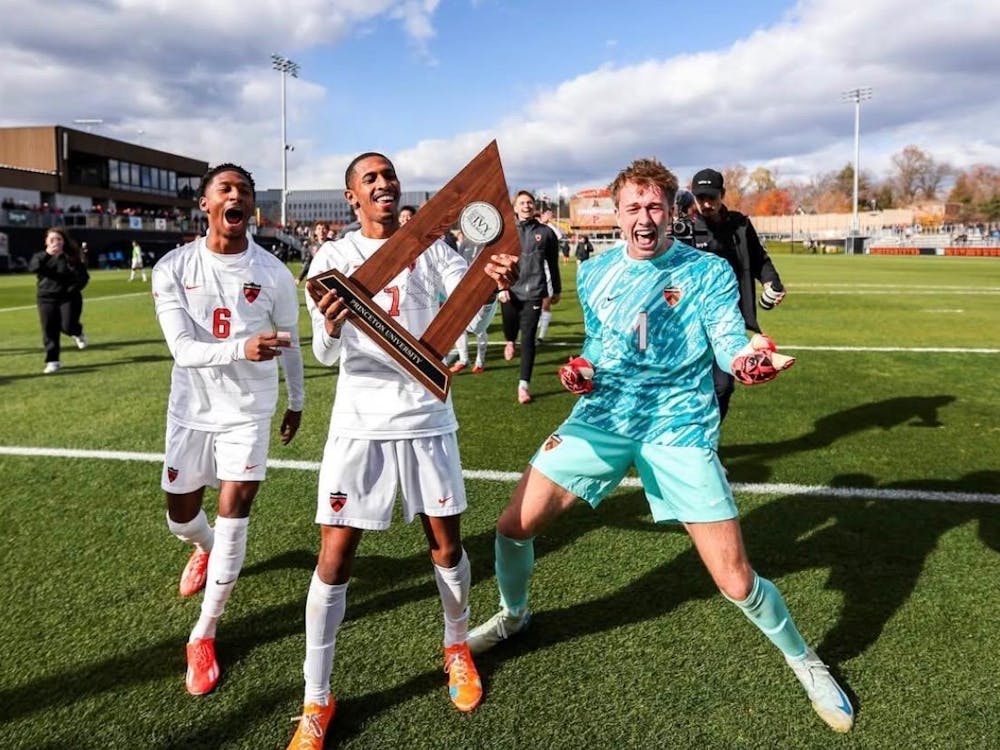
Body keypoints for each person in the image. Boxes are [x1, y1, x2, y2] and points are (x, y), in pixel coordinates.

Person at [468, 158, 854, 734]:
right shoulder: (595, 271)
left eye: (654, 208)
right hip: (604, 417)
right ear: (617, 214)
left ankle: (806, 660)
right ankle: (515, 615)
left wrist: (747, 359)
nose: (644, 220)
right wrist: (582, 369)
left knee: (736, 581)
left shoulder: (709, 272)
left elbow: (727, 342)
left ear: (670, 212)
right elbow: (598, 347)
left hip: (678, 426)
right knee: (511, 525)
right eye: (633, 208)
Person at [289, 151, 518, 749]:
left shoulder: (434, 249)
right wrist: (333, 325)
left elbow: (465, 325)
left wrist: (488, 290)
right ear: (352, 198)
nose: (384, 184)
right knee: (335, 556)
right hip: (360, 421)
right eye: (371, 179)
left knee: (446, 543)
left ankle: (455, 648)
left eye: (389, 176)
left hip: (425, 416)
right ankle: (316, 699)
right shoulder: (333, 258)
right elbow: (323, 354)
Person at [151, 163, 304, 697]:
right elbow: (183, 351)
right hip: (190, 410)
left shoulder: (274, 272)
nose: (236, 195)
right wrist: (243, 346)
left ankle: (204, 633)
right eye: (225, 188)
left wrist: (297, 401)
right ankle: (202, 547)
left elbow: (289, 340)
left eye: (244, 190)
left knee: (235, 509)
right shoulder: (172, 267)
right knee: (180, 516)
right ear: (206, 204)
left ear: (251, 208)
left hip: (248, 410)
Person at [689, 168, 786, 421]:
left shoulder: (740, 225)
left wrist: (771, 282)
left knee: (723, 385)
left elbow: (759, 259)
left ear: (722, 194)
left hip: (729, 317)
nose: (706, 203)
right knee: (690, 386)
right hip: (690, 320)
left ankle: (707, 439)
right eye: (701, 198)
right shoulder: (685, 228)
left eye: (711, 197)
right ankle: (688, 442)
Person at [500, 191, 561, 403]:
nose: (526, 206)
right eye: (522, 203)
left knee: (528, 338)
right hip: (510, 290)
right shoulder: (506, 231)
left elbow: (553, 263)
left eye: (529, 202)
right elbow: (496, 261)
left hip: (535, 291)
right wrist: (500, 289)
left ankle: (523, 385)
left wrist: (557, 290)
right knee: (509, 325)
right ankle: (509, 341)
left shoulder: (546, 233)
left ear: (533, 206)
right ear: (515, 207)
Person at [28, 227, 90, 373]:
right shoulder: (40, 257)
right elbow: (33, 268)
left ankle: (78, 333)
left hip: (68, 297)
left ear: (64, 241)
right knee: (49, 328)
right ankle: (53, 360)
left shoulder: (72, 257)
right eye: (52, 240)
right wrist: (48, 255)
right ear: (46, 242)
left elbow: (83, 277)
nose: (55, 242)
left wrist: (73, 288)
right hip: (46, 297)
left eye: (59, 239)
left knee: (67, 326)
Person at [536, 207, 563, 341]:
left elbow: (559, 235)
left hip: (547, 273)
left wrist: (548, 223)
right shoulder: (532, 228)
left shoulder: (548, 230)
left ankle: (541, 335)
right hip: (531, 274)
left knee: (545, 303)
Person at [296, 221, 329, 286]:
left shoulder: (333, 245)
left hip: (330, 276)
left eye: (324, 228)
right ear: (316, 231)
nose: (321, 231)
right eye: (319, 229)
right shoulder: (312, 247)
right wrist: (300, 278)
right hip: (316, 277)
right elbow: (308, 263)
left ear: (328, 231)